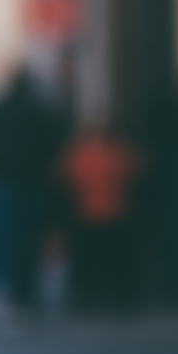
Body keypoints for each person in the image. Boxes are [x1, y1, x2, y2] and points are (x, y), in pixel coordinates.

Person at [0, 67, 66, 318]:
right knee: (27, 241)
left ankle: (8, 294)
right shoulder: (40, 110)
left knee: (7, 240)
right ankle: (26, 294)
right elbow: (54, 144)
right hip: (31, 184)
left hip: (4, 183)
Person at [58, 122, 144, 310]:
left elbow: (65, 176)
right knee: (116, 260)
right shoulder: (119, 151)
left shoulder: (79, 152)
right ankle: (117, 297)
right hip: (115, 213)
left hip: (88, 215)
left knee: (91, 261)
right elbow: (137, 170)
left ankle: (91, 296)